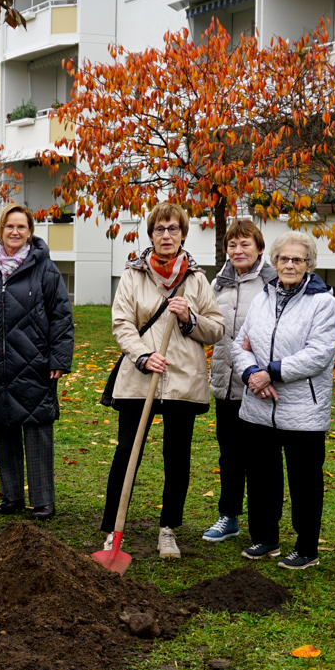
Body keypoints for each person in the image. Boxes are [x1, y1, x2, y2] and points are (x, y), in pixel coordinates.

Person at [99, 202, 224, 558]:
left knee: (177, 456)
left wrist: (189, 318)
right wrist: (142, 356)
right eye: (159, 229)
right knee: (127, 452)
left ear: (183, 234)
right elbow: (122, 322)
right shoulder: (133, 275)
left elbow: (216, 328)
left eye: (173, 229)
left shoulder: (196, 279)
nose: (166, 235)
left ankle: (168, 529)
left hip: (183, 380)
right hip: (139, 377)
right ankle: (113, 529)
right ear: (150, 234)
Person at [229, 231, 335, 566]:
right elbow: (240, 344)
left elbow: (319, 354)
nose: (289, 265)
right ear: (274, 262)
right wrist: (252, 375)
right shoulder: (262, 297)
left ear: (309, 264)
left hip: (303, 409)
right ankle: (265, 539)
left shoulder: (323, 302)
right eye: (283, 259)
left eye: (297, 259)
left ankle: (306, 549)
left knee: (305, 482)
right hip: (258, 405)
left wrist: (271, 372)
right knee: (261, 477)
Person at [0, 203, 74, 518]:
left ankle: (43, 500)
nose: (15, 232)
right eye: (10, 226)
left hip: (35, 362)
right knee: (3, 429)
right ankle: (11, 497)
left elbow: (62, 316)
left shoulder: (46, 269)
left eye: (22, 227)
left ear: (30, 232)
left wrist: (59, 358)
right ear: (1, 229)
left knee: (38, 428)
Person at [201, 219, 278, 544]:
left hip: (260, 385)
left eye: (245, 244)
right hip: (226, 383)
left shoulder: (272, 282)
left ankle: (265, 527)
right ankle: (228, 516)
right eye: (232, 245)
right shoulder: (218, 283)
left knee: (262, 460)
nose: (238, 250)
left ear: (259, 248)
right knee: (230, 456)